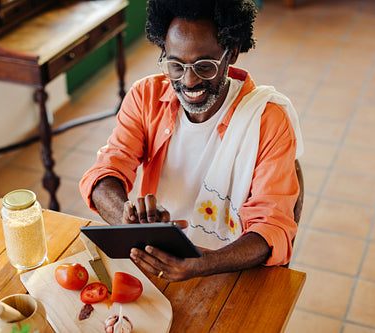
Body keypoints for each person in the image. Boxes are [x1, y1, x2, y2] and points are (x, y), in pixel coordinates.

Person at [80, 0, 303, 282]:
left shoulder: (267, 120)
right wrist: (129, 222)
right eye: (175, 64)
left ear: (231, 53)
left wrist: (206, 263)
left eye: (205, 65)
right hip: (156, 257)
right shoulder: (145, 97)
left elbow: (272, 227)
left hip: (231, 268)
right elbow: (105, 173)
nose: (189, 81)